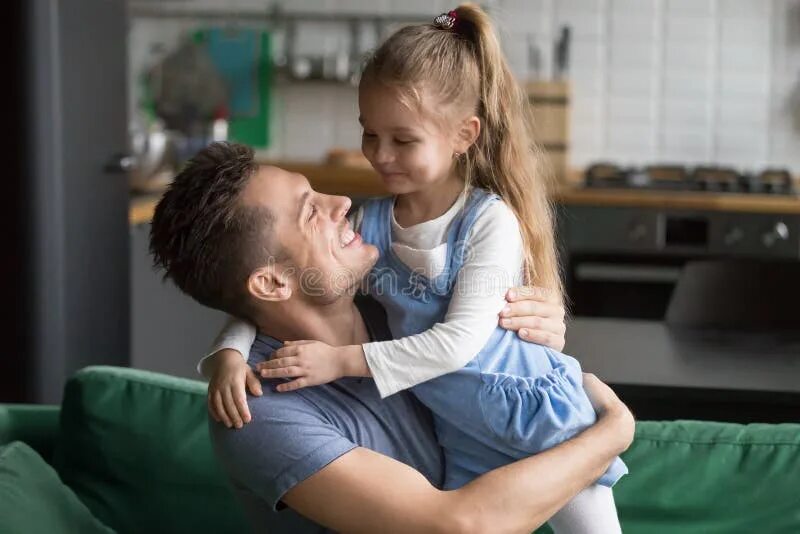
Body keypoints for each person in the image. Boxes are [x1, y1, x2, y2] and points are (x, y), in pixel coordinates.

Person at [209, 5, 625, 532]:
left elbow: (458, 344)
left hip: (534, 415)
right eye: (369, 134)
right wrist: (226, 353)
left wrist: (340, 361)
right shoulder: (374, 228)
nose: (379, 156)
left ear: (464, 135)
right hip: (462, 430)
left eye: (402, 140)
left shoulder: (487, 222)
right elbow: (258, 294)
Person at [149, 142, 635, 533]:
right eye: (310, 213)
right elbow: (461, 526)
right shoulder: (261, 415)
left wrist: (526, 320)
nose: (342, 203)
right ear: (272, 283)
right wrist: (613, 431)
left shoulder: (405, 308)